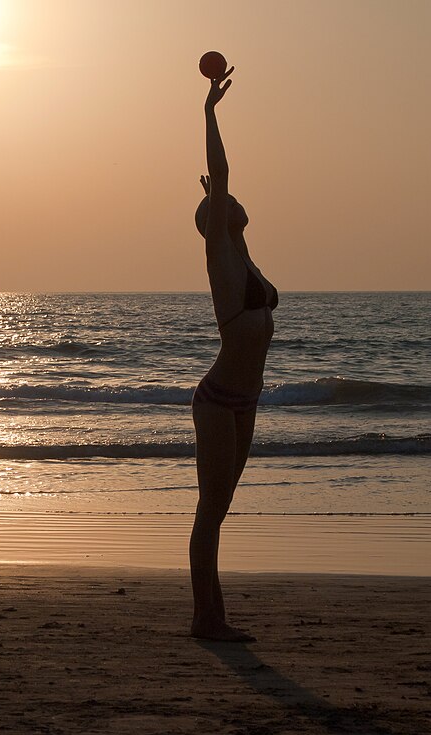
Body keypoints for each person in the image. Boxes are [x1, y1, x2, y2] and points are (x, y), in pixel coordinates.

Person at [189, 63, 278, 642]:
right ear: (217, 221)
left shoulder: (243, 253)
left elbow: (223, 195)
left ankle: (214, 614)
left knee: (222, 508)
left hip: (246, 399)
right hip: (220, 398)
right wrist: (210, 112)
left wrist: (226, 213)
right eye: (225, 205)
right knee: (211, 508)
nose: (234, 202)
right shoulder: (221, 257)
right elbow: (221, 173)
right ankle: (206, 618)